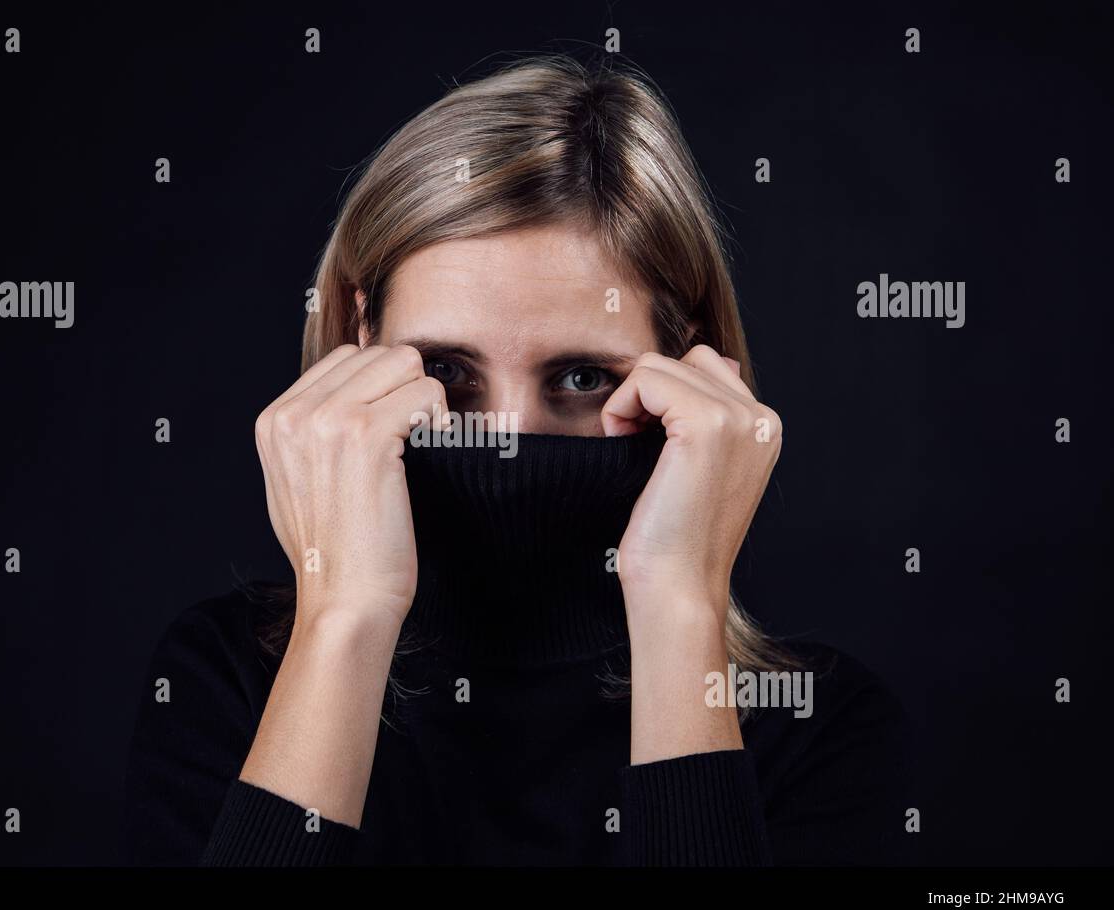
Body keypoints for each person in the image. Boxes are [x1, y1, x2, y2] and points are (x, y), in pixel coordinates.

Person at [123, 53, 913, 866]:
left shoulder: (813, 725)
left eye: (580, 378)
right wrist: (345, 617)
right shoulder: (223, 680)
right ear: (361, 342)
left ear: (688, 369)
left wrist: (680, 605)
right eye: (445, 372)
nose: (504, 432)